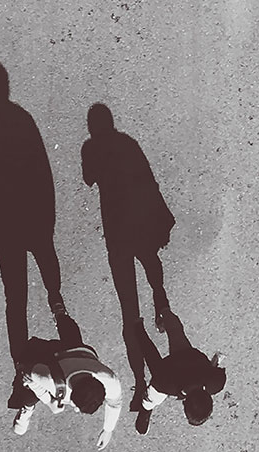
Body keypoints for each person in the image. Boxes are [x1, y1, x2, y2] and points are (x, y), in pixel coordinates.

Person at [0, 59, 70, 369]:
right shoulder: (21, 117)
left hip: (5, 217)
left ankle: (22, 361)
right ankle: (55, 296)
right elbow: (41, 166)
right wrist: (48, 216)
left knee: (15, 292)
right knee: (45, 256)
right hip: (33, 211)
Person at [80, 103, 176, 409]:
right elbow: (150, 180)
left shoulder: (91, 148)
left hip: (117, 232)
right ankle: (161, 299)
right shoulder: (128, 143)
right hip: (140, 221)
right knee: (150, 261)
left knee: (129, 312)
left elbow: (89, 179)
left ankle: (139, 381)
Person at [8, 311, 122, 450]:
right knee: (29, 388)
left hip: (78, 352)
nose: (75, 410)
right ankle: (28, 406)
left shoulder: (109, 380)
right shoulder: (49, 379)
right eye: (76, 406)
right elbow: (28, 374)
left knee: (72, 335)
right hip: (48, 359)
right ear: (71, 391)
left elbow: (115, 403)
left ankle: (59, 311)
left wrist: (108, 430)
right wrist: (49, 402)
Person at [133, 314, 226, 434]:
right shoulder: (167, 384)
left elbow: (218, 372)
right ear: (184, 403)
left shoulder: (215, 383)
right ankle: (146, 410)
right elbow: (152, 357)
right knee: (151, 399)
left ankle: (164, 312)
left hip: (189, 355)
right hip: (171, 367)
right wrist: (139, 330)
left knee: (175, 329)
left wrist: (211, 365)